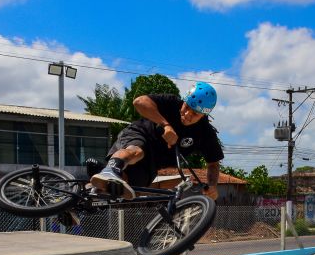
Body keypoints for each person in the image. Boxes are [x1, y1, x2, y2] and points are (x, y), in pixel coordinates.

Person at [89, 81, 223, 201]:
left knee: (126, 188)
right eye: (187, 107)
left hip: (153, 162)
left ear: (204, 115)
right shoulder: (171, 102)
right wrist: (166, 125)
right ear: (184, 101)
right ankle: (110, 169)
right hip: (141, 135)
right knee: (136, 152)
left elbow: (213, 163)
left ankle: (82, 197)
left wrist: (212, 186)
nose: (187, 114)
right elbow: (139, 102)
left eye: (195, 113)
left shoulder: (205, 132)